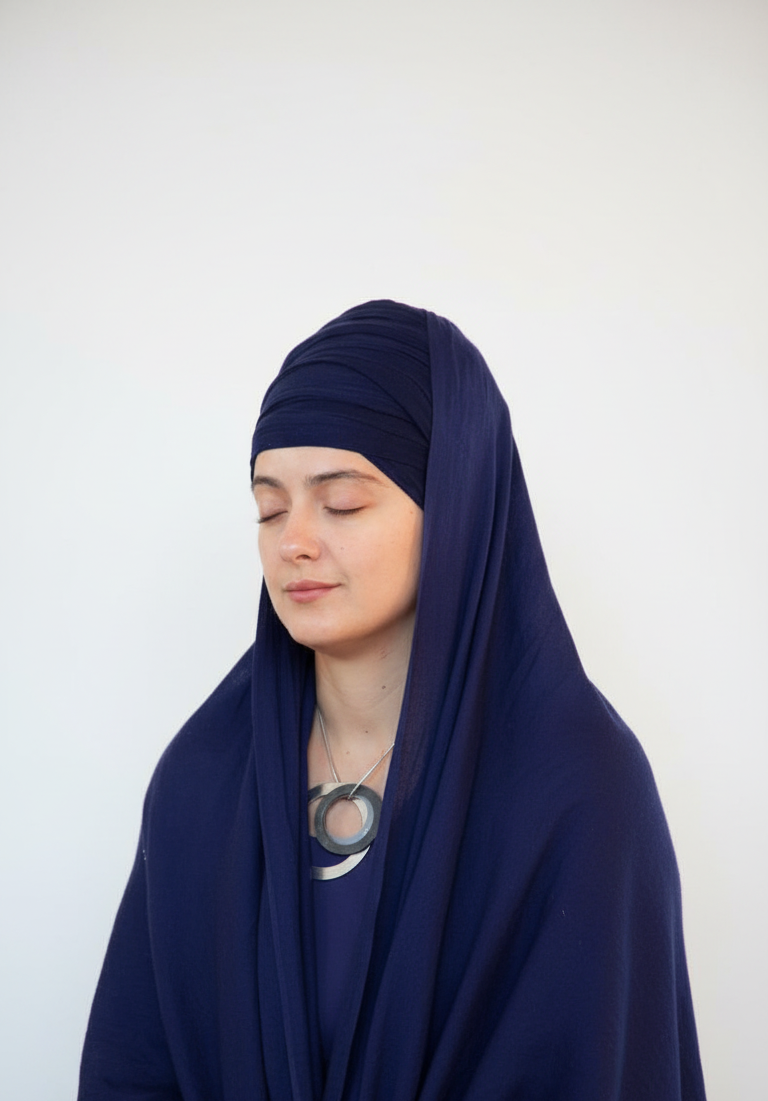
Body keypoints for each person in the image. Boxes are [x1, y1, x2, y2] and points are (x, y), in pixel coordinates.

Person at [78, 300, 706, 1100]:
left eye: (340, 501)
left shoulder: (578, 789)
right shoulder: (203, 779)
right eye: (270, 507)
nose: (293, 539)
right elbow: (132, 1070)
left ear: (454, 507)